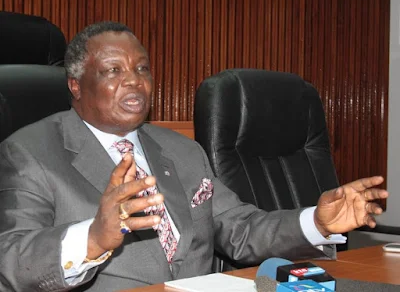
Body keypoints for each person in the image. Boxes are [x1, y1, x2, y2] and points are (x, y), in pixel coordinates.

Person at [0, 21, 388, 291]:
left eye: (142, 68)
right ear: (76, 85)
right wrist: (94, 238)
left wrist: (316, 221)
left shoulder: (182, 150)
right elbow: (12, 261)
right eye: (113, 70)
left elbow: (240, 228)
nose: (135, 80)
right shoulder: (29, 152)